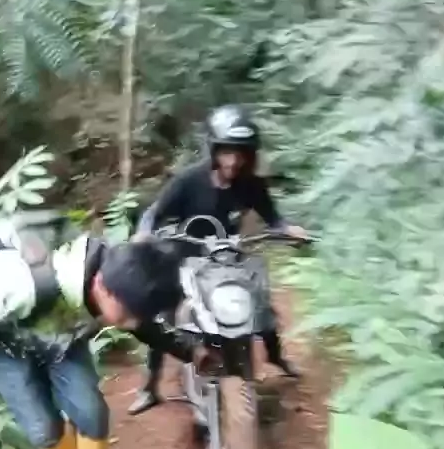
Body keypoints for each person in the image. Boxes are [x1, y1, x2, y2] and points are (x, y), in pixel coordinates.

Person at [0, 221, 198, 449]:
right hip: (7, 349)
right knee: (42, 430)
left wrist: (193, 352)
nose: (132, 323)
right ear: (101, 287)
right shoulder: (9, 291)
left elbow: (146, 326)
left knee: (90, 411)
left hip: (62, 340)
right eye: (128, 316)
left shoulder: (120, 275)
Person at [128, 104, 310, 416]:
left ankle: (274, 355)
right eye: (227, 152)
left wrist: (287, 229)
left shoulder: (252, 184)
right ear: (213, 150)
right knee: (162, 314)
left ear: (250, 155)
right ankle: (150, 386)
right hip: (187, 254)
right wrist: (144, 233)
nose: (234, 161)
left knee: (259, 302)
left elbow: (273, 218)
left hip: (229, 256)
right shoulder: (188, 180)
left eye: (242, 153)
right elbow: (154, 213)